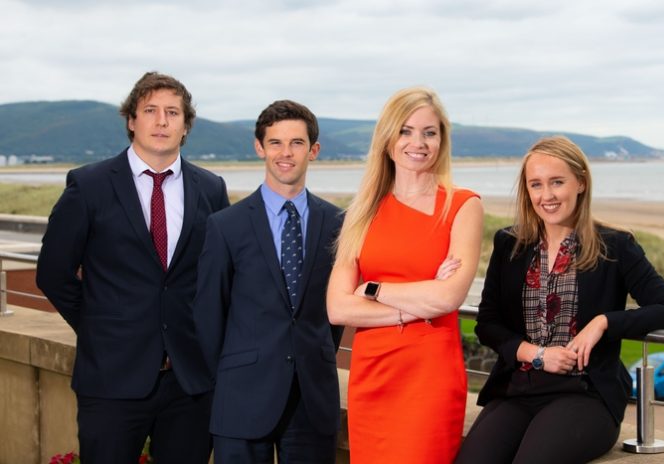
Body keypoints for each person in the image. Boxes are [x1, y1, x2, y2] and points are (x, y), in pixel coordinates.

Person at [36, 72, 230, 464]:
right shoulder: (89, 185)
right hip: (111, 379)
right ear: (131, 120)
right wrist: (99, 328)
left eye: (172, 112)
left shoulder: (211, 188)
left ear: (185, 125)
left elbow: (221, 276)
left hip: (190, 382)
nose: (161, 121)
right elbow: (53, 273)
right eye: (150, 110)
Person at [457, 136, 664, 464]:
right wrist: (537, 355)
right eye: (536, 184)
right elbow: (488, 323)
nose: (546, 195)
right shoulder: (509, 243)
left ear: (580, 182)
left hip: (586, 393)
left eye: (557, 182)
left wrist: (603, 323)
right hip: (519, 388)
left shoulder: (615, 245)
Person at [326, 87, 483, 463]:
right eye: (406, 131)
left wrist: (372, 289)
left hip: (429, 377)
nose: (419, 143)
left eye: (430, 132)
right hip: (372, 375)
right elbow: (337, 308)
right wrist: (417, 305)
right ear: (387, 139)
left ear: (442, 140)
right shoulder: (362, 213)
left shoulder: (463, 206)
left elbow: (448, 298)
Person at [193, 100, 344, 464]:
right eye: (275, 142)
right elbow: (208, 314)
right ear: (259, 148)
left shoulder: (338, 224)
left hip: (312, 399)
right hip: (241, 398)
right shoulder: (226, 226)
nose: (285, 153)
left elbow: (334, 313)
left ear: (314, 150)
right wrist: (231, 378)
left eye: (296, 143)